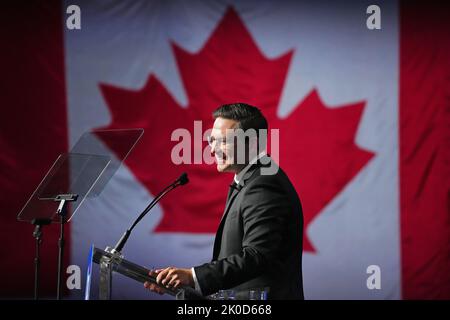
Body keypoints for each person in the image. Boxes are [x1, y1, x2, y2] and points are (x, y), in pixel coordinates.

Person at [144, 103, 304, 299]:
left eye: (223, 141)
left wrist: (192, 276)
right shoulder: (249, 180)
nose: (212, 151)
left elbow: (257, 256)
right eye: (212, 141)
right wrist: (182, 285)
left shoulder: (264, 184)